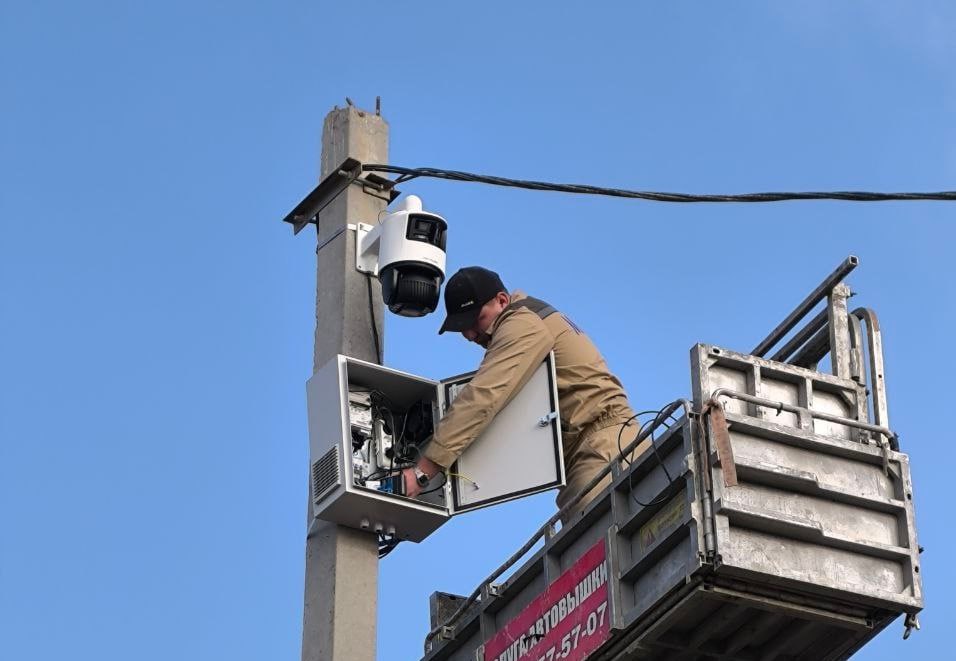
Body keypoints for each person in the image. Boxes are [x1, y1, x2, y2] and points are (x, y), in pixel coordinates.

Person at [402, 266, 641, 522]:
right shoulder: (530, 318)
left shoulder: (521, 323)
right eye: (462, 327)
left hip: (602, 446)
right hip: (594, 450)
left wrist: (422, 472)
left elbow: (483, 396)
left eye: (475, 320)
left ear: (502, 300)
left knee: (591, 544)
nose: (470, 335)